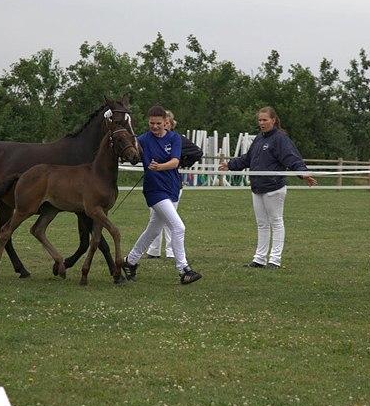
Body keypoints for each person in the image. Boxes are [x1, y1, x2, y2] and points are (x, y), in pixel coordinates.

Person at [219, 106, 317, 269]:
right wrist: (230, 165)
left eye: (265, 120)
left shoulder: (280, 138)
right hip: (257, 187)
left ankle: (275, 260)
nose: (262, 123)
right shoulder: (259, 138)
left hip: (274, 187)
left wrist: (303, 173)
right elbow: (247, 159)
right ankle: (259, 259)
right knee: (262, 224)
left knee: (276, 222)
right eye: (260, 120)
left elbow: (291, 158)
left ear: (273, 120)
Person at [122, 105, 202, 284]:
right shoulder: (142, 140)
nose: (155, 126)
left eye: (158, 123)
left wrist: (159, 167)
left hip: (172, 188)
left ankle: (130, 261)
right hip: (154, 191)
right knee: (178, 227)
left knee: (153, 231)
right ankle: (184, 270)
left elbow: (175, 162)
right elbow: (130, 153)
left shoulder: (174, 138)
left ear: (166, 123)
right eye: (151, 123)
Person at [146, 110, 203, 260]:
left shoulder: (177, 139)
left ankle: (171, 252)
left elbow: (197, 152)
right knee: (154, 219)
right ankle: (153, 250)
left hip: (172, 184)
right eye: (155, 123)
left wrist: (180, 163)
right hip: (155, 185)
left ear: (169, 123)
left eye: (163, 123)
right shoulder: (150, 139)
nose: (159, 126)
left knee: (172, 221)